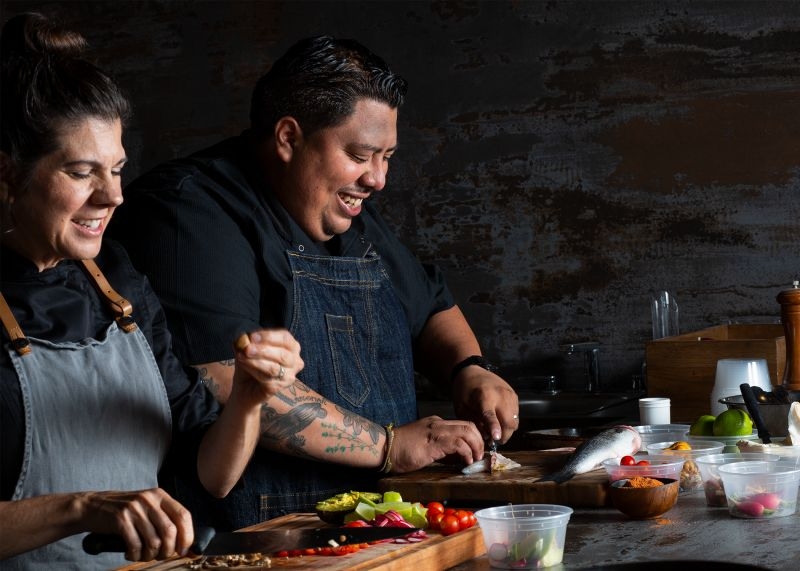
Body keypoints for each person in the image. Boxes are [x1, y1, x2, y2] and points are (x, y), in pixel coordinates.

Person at [110, 34, 520, 529]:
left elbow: (431, 302)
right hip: (253, 536)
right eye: (361, 154)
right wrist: (391, 446)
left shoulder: (346, 213)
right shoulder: (187, 212)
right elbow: (224, 381)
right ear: (288, 137)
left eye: (387, 157)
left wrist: (469, 369)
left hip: (377, 527)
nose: (378, 179)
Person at [0, 13, 304, 569]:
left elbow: (207, 474)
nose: (113, 195)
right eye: (81, 171)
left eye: (116, 169)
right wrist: (81, 508)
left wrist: (250, 397)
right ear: (7, 174)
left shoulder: (118, 279)